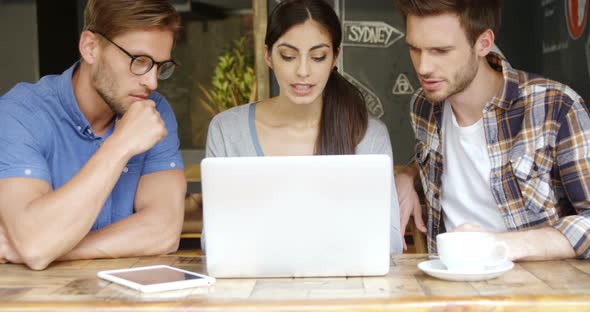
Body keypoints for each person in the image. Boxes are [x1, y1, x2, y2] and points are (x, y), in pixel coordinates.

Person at [394, 0, 588, 260]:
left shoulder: (556, 107)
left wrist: (498, 246)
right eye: (415, 49)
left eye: (441, 51)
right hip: (447, 286)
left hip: (536, 290)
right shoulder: (425, 106)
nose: (423, 67)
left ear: (483, 43)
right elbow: (461, 161)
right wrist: (409, 175)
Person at [0, 0, 186, 270]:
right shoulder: (19, 113)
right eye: (139, 61)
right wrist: (120, 145)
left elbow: (164, 232)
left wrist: (58, 248)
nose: (152, 82)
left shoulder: (154, 112)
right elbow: (37, 244)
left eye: (160, 66)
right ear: (90, 47)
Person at [205, 0, 402, 254]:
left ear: (335, 58)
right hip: (255, 289)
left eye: (318, 57)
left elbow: (390, 240)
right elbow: (213, 240)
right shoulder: (227, 131)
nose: (303, 71)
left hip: (343, 288)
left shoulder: (367, 135)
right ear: (268, 55)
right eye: (288, 56)